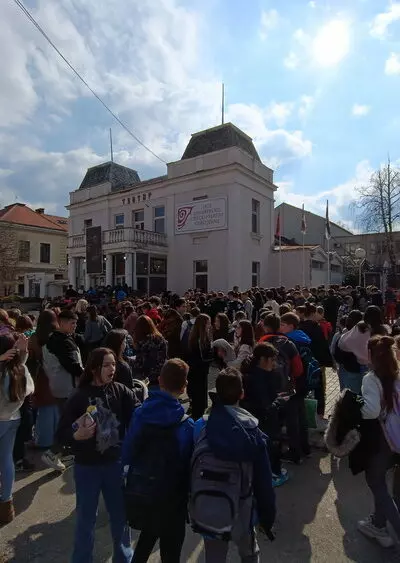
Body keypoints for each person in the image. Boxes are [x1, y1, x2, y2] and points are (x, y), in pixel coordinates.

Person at [56, 348, 139, 563]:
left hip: (115, 465)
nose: (112, 369)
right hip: (87, 467)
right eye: (107, 365)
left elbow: (139, 416)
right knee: (86, 519)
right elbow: (61, 433)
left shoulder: (121, 391)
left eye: (114, 364)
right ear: (94, 369)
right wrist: (76, 435)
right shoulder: (79, 396)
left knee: (120, 517)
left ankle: (124, 558)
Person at [192, 368, 275, 562]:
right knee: (249, 553)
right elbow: (264, 481)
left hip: (208, 507)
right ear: (242, 394)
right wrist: (267, 517)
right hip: (242, 509)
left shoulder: (200, 426)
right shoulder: (252, 432)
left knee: (214, 557)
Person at [122, 358, 194, 563]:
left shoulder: (140, 414)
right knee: (171, 551)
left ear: (160, 380)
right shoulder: (186, 424)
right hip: (173, 498)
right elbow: (188, 464)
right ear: (184, 387)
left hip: (144, 489)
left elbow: (127, 452)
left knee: (146, 538)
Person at [357, 335, 400, 548]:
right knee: (389, 485)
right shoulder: (397, 374)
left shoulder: (371, 379)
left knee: (376, 483)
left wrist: (356, 406)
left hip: (383, 440)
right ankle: (378, 524)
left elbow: (371, 411)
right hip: (397, 438)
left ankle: (391, 528)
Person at [240, 343, 290, 487]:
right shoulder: (257, 379)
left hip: (258, 419)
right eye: (272, 360)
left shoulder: (254, 373)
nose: (274, 364)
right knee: (270, 447)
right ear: (263, 359)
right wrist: (280, 401)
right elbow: (264, 406)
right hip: (264, 421)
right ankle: (272, 475)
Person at [41, 309, 84, 471]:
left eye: (76, 323)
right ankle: (53, 452)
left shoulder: (51, 339)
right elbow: (73, 366)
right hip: (69, 387)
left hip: (58, 386)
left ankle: (65, 452)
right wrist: (88, 377)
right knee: (72, 423)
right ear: (62, 323)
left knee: (68, 421)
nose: (75, 326)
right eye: (72, 323)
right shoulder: (63, 342)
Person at [0, 333, 34, 524]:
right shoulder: (19, 369)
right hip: (13, 418)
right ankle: (6, 503)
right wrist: (23, 352)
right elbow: (20, 367)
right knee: (6, 460)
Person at [28, 310, 61, 451]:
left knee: (44, 409)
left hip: (41, 376)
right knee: (56, 407)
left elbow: (30, 358)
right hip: (58, 375)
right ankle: (57, 438)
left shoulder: (35, 337)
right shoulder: (58, 336)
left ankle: (43, 440)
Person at [187, 314, 213, 420]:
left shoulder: (196, 336)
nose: (210, 325)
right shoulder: (200, 339)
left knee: (198, 398)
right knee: (199, 399)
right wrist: (214, 354)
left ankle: (197, 416)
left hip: (197, 371)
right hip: (198, 371)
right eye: (208, 323)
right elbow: (204, 357)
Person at [132, 316, 168, 386]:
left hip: (145, 378)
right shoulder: (160, 339)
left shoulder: (142, 342)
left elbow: (139, 363)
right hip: (159, 375)